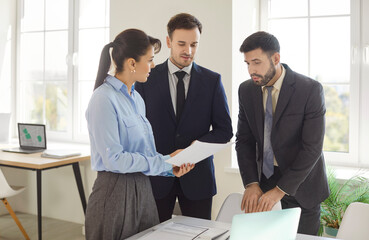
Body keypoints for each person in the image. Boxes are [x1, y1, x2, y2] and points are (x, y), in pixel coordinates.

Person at [85, 29, 194, 240]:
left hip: (144, 190)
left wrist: (171, 165)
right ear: (132, 63)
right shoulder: (103, 99)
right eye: (150, 60)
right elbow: (114, 159)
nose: (153, 65)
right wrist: (163, 163)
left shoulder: (137, 99)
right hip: (114, 192)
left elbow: (145, 154)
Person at [135, 13, 233, 222]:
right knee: (153, 235)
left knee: (199, 235)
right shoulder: (145, 79)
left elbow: (225, 131)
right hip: (156, 178)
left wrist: (196, 147)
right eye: (181, 43)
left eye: (194, 45)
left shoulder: (212, 81)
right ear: (169, 41)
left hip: (198, 179)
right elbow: (136, 128)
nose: (188, 51)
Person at [235, 31, 329, 235]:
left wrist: (280, 191)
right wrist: (251, 183)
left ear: (276, 58)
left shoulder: (310, 90)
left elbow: (312, 148)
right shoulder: (246, 90)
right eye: (247, 63)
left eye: (257, 62)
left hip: (302, 183)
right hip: (265, 180)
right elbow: (244, 141)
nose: (252, 70)